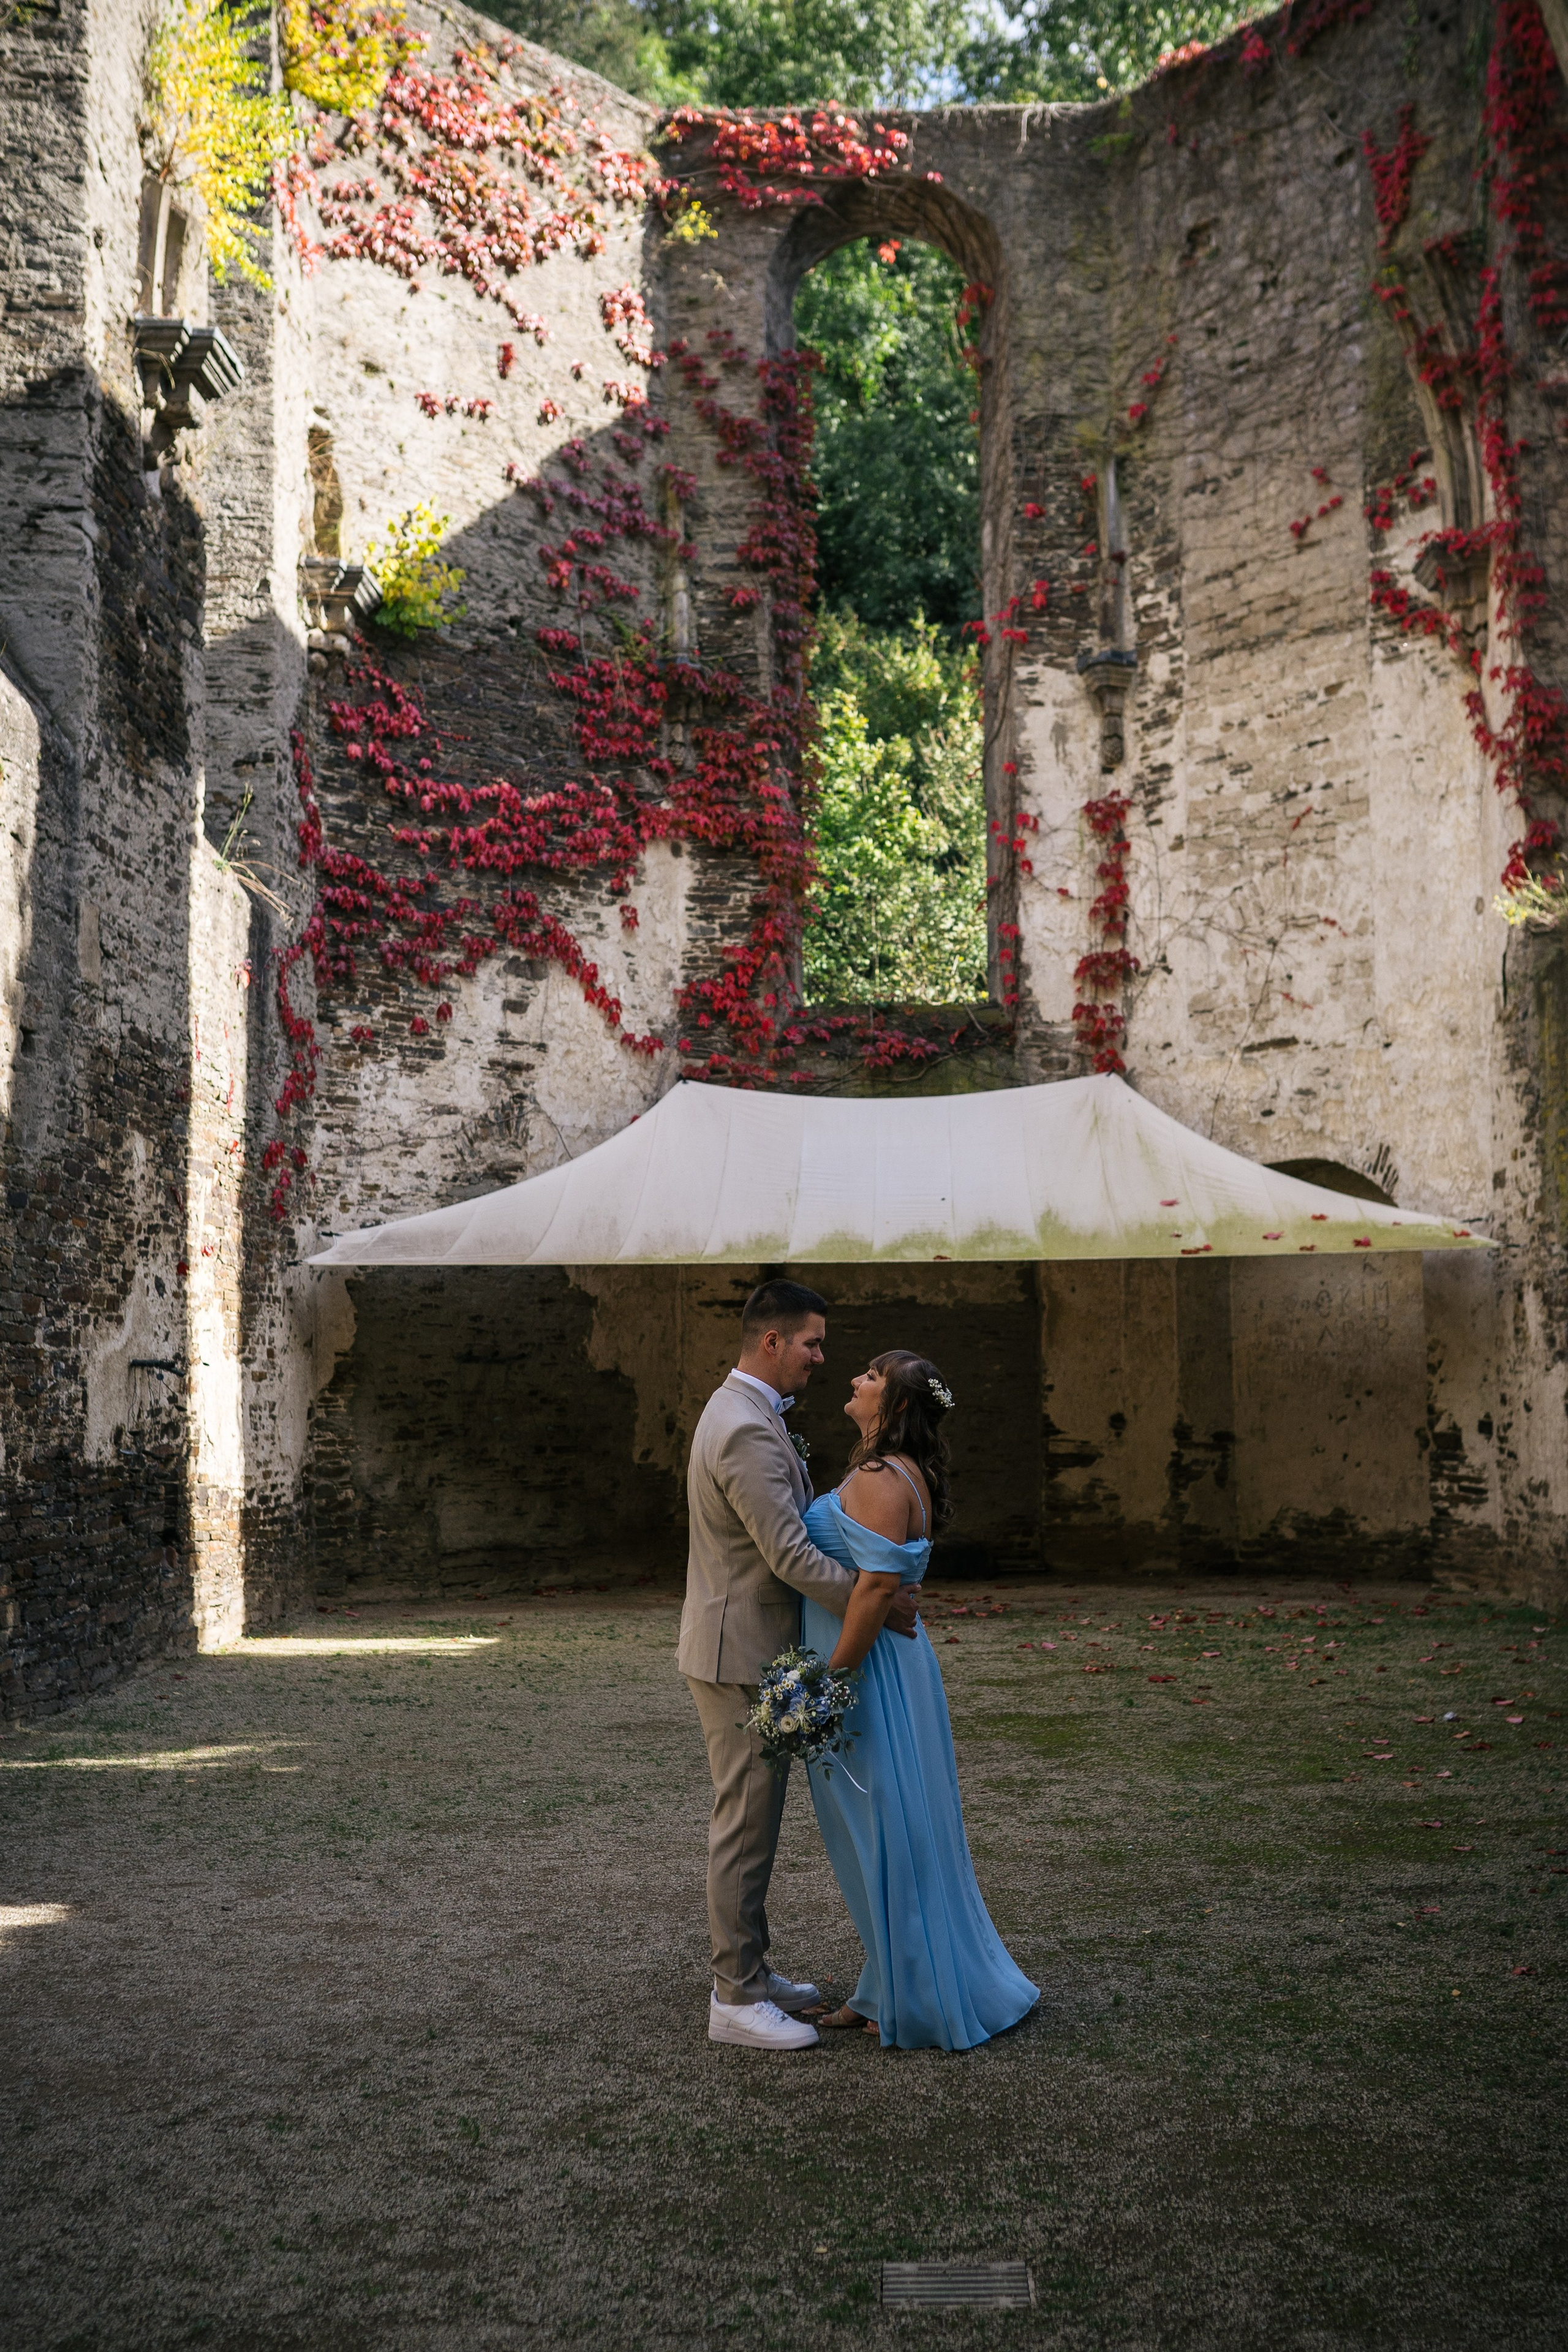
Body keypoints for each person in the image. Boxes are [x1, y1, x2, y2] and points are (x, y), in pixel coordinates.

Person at [679, 1280, 921, 2052]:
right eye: (813, 1343)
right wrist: (872, 1602)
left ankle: (752, 1970)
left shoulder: (747, 1413)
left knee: (757, 1822)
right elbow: (785, 1553)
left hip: (750, 1643)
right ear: (772, 1341)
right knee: (744, 1826)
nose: (823, 1357)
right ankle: (735, 1998)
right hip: (739, 1651)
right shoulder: (745, 1428)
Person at [801, 1352, 1039, 2051]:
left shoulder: (879, 1477)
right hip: (887, 1664)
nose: (853, 1379)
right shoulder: (897, 1472)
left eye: (871, 1376)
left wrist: (827, 1682)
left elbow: (877, 1589)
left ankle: (914, 1994)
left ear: (897, 1407)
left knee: (885, 1830)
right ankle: (885, 1985)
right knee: (886, 1827)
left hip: (868, 1672)